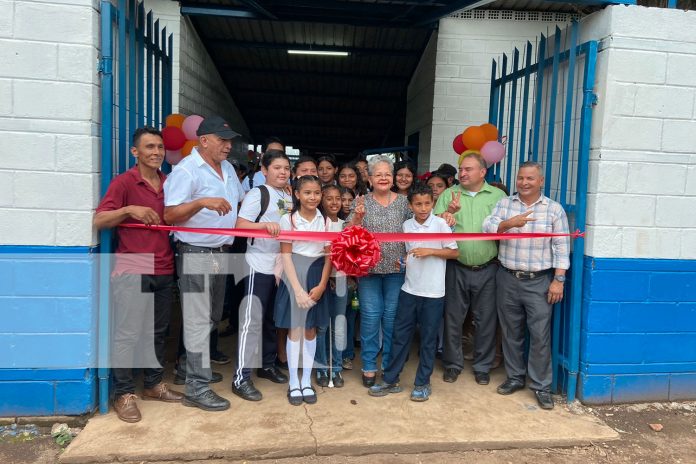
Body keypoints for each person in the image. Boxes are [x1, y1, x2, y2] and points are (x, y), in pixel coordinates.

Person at [94, 126, 184, 423]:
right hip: (133, 266)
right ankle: (124, 393)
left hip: (164, 266)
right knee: (128, 334)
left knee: (158, 332)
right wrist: (129, 210)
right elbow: (100, 220)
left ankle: (153, 385)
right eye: (149, 147)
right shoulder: (124, 183)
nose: (156, 152)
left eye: (159, 147)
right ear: (135, 152)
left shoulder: (169, 183)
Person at [164, 115, 244, 412]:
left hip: (219, 251)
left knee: (211, 316)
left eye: (229, 140)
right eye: (222, 140)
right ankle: (197, 388)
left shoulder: (228, 170)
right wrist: (201, 202)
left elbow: (240, 201)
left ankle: (187, 367)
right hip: (196, 252)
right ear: (204, 140)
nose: (228, 146)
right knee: (198, 320)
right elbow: (169, 215)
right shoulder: (186, 171)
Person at [482, 161, 570, 410]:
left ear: (540, 181)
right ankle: (515, 377)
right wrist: (509, 223)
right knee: (511, 332)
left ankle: (541, 385)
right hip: (507, 277)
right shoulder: (505, 204)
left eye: (530, 178)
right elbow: (487, 227)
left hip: (540, 281)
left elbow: (561, 247)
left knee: (540, 335)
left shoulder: (554, 210)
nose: (524, 183)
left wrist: (558, 279)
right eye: (520, 178)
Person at [368, 184, 459, 402]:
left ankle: (422, 383)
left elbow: (455, 252)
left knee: (428, 339)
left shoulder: (440, 224)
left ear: (433, 203)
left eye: (427, 203)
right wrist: (404, 261)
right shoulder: (406, 225)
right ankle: (391, 379)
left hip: (433, 292)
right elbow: (408, 253)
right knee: (400, 336)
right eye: (418, 203)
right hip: (409, 289)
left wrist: (431, 251)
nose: (423, 208)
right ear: (410, 205)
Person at [434, 152, 506, 386]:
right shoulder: (448, 194)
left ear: (482, 172)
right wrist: (448, 214)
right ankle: (452, 364)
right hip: (456, 266)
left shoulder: (498, 196)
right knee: (453, 318)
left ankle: (482, 366)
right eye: (461, 169)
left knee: (486, 320)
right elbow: (433, 228)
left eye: (468, 169)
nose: (462, 173)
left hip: (488, 268)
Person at [232, 149, 292, 401]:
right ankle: (241, 377)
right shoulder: (258, 193)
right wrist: (264, 227)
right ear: (264, 171)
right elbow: (240, 225)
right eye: (277, 167)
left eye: (286, 168)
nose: (282, 172)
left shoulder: (289, 196)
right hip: (259, 265)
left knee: (271, 319)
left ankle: (266, 364)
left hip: (281, 267)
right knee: (252, 320)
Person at [346, 155, 410, 387]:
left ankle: (390, 367)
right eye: (378, 174)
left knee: (392, 320)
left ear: (392, 178)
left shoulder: (404, 203)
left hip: (396, 270)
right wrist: (357, 217)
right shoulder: (361, 201)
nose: (383, 178)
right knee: (371, 319)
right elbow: (347, 232)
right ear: (370, 178)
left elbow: (416, 231)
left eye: (387, 174)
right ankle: (369, 365)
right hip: (368, 272)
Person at [274, 175, 332, 405]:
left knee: (310, 330)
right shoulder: (288, 220)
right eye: (307, 192)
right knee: (295, 329)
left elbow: (329, 256)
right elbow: (286, 255)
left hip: (317, 274)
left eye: (317, 193)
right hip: (294, 274)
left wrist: (322, 285)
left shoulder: (326, 221)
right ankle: (293, 383)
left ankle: (306, 380)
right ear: (297, 194)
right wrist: (297, 289)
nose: (313, 197)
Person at [315, 184, 347, 387]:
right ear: (322, 200)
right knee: (321, 327)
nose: (334, 202)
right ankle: (321, 367)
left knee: (339, 326)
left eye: (338, 198)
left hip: (342, 281)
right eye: (329, 198)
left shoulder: (345, 225)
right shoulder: (317, 224)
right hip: (321, 281)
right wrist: (327, 279)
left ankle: (336, 367)